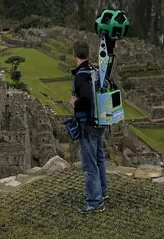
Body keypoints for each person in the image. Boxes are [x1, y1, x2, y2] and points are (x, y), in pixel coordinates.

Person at [69, 41, 108, 214]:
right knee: (99, 159)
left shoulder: (81, 75)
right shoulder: (94, 71)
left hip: (88, 125)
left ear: (75, 55)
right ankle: (103, 192)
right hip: (99, 121)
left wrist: (75, 103)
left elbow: (86, 98)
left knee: (89, 165)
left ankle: (94, 202)